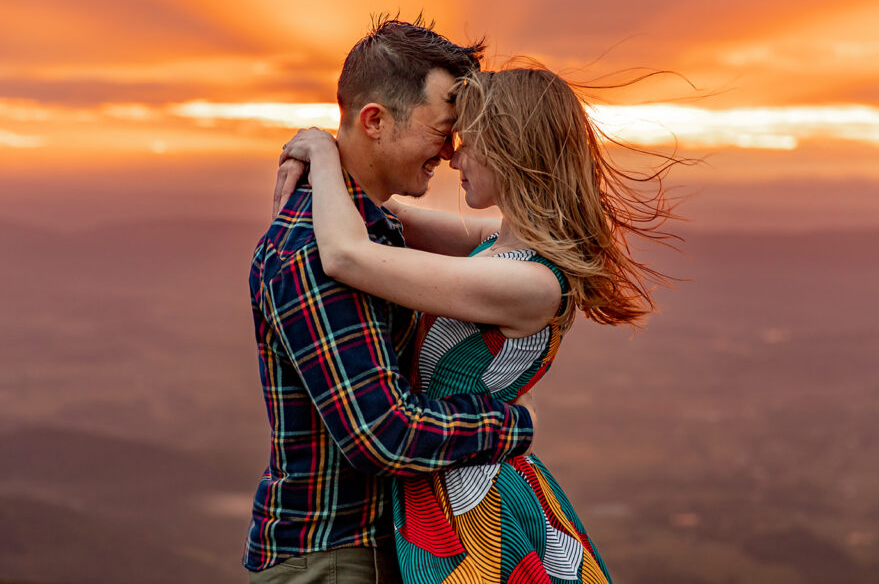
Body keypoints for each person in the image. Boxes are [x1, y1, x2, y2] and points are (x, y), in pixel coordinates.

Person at [275, 64, 679, 583]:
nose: (453, 157)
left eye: (468, 143)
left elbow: (346, 255)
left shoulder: (532, 282)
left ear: (511, 151)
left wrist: (323, 152)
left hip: (479, 514)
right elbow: (383, 215)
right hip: (449, 488)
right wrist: (341, 153)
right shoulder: (502, 245)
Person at [244, 17, 538, 583]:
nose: (451, 151)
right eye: (441, 129)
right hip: (335, 554)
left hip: (371, 548)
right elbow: (383, 434)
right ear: (375, 121)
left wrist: (323, 153)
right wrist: (509, 428)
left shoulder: (373, 231)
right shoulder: (314, 251)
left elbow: (495, 242)